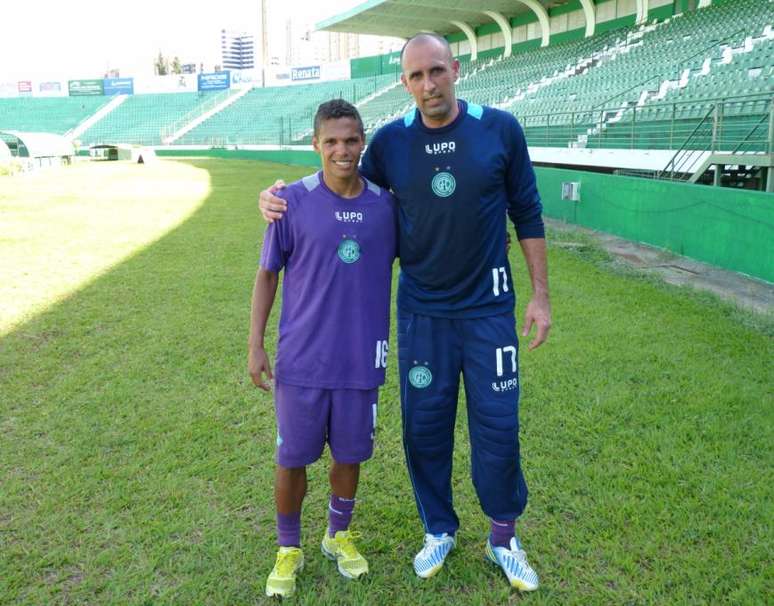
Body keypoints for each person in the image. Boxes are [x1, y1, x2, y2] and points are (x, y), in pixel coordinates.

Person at [259, 33, 551, 592]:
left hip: (489, 311)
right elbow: (341, 181)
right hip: (422, 314)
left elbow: (528, 211)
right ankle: (438, 528)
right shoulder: (391, 144)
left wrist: (539, 295)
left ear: (456, 70)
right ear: (404, 83)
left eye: (436, 71)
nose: (428, 85)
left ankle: (504, 537)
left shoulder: (500, 129)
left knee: (498, 426)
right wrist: (277, 197)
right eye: (416, 76)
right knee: (425, 427)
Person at [248, 99, 397, 598]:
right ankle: (288, 548)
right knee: (292, 458)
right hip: (302, 361)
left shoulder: (385, 205)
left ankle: (338, 535)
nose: (342, 150)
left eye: (351, 140)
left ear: (363, 142)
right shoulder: (291, 201)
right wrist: (255, 346)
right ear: (315, 144)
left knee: (349, 455)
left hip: (361, 359)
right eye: (330, 141)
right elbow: (267, 275)